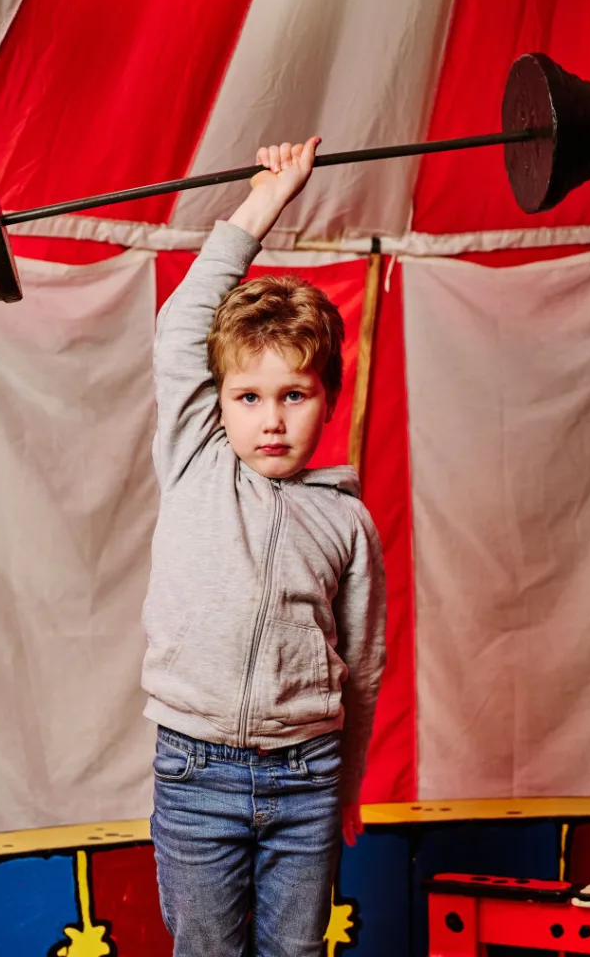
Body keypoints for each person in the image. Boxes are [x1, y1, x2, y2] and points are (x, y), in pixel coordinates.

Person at [141, 136, 387, 957]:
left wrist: (347, 785)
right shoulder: (196, 462)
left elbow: (364, 666)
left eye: (294, 395)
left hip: (307, 778)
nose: (271, 420)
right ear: (219, 402)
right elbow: (182, 327)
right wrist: (267, 200)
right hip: (195, 773)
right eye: (248, 397)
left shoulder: (347, 524)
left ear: (328, 399)